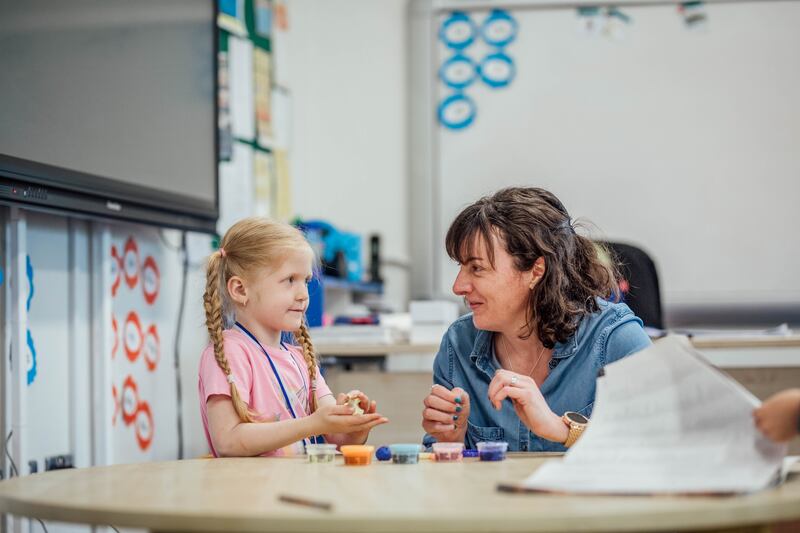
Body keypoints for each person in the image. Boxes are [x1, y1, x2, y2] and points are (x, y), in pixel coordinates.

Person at [422, 187, 651, 452]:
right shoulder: (458, 345)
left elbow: (667, 444)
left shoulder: (614, 338)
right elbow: (445, 472)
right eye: (461, 268)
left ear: (535, 271)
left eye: (477, 268)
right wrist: (451, 442)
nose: (458, 286)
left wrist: (561, 429)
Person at [199, 217, 387, 457]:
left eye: (306, 281)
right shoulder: (229, 351)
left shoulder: (300, 357)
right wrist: (314, 424)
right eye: (290, 280)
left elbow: (335, 436)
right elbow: (228, 442)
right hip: (247, 492)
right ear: (240, 290)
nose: (303, 294)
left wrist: (352, 426)